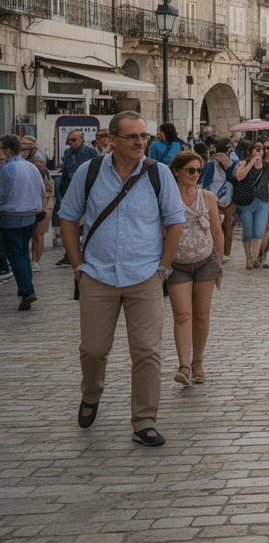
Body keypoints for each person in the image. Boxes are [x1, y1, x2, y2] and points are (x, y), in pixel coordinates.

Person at [59, 111, 185, 447]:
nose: (140, 142)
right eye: (132, 137)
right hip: (97, 275)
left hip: (144, 275)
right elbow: (68, 217)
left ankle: (144, 421)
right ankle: (91, 393)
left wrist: (162, 269)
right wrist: (77, 267)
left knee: (146, 352)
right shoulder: (91, 171)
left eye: (144, 136)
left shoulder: (158, 174)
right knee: (93, 350)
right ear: (111, 139)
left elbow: (175, 222)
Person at [166, 152, 225, 386]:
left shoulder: (207, 197)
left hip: (205, 261)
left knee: (201, 315)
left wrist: (219, 262)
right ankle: (183, 365)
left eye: (199, 170)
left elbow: (217, 231)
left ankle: (197, 362)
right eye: (190, 170)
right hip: (177, 263)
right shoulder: (168, 197)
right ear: (176, 171)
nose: (195, 174)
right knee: (182, 314)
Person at [0, 134, 45, 309]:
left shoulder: (7, 170)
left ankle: (26, 291)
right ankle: (27, 289)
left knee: (16, 256)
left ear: (8, 150)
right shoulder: (31, 167)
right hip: (30, 216)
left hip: (11, 217)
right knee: (23, 254)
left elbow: (2, 195)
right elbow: (42, 190)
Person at [230, 142, 269, 270]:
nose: (260, 151)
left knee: (259, 231)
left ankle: (254, 257)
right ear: (251, 151)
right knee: (247, 232)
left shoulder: (268, 167)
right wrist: (251, 163)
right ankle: (248, 257)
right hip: (247, 202)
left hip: (263, 201)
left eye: (262, 149)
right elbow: (239, 177)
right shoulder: (243, 164)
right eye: (257, 149)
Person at [55, 129, 101, 267]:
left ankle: (83, 252)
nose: (71, 143)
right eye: (69, 140)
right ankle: (68, 254)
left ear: (82, 139)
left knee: (84, 222)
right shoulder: (68, 153)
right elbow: (66, 171)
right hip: (71, 186)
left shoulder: (91, 152)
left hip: (87, 188)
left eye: (74, 140)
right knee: (70, 219)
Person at [19, 136, 54, 270]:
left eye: (26, 149)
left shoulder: (37, 162)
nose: (24, 151)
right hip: (33, 202)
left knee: (38, 234)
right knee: (33, 234)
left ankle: (35, 261)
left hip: (43, 202)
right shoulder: (25, 161)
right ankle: (32, 261)